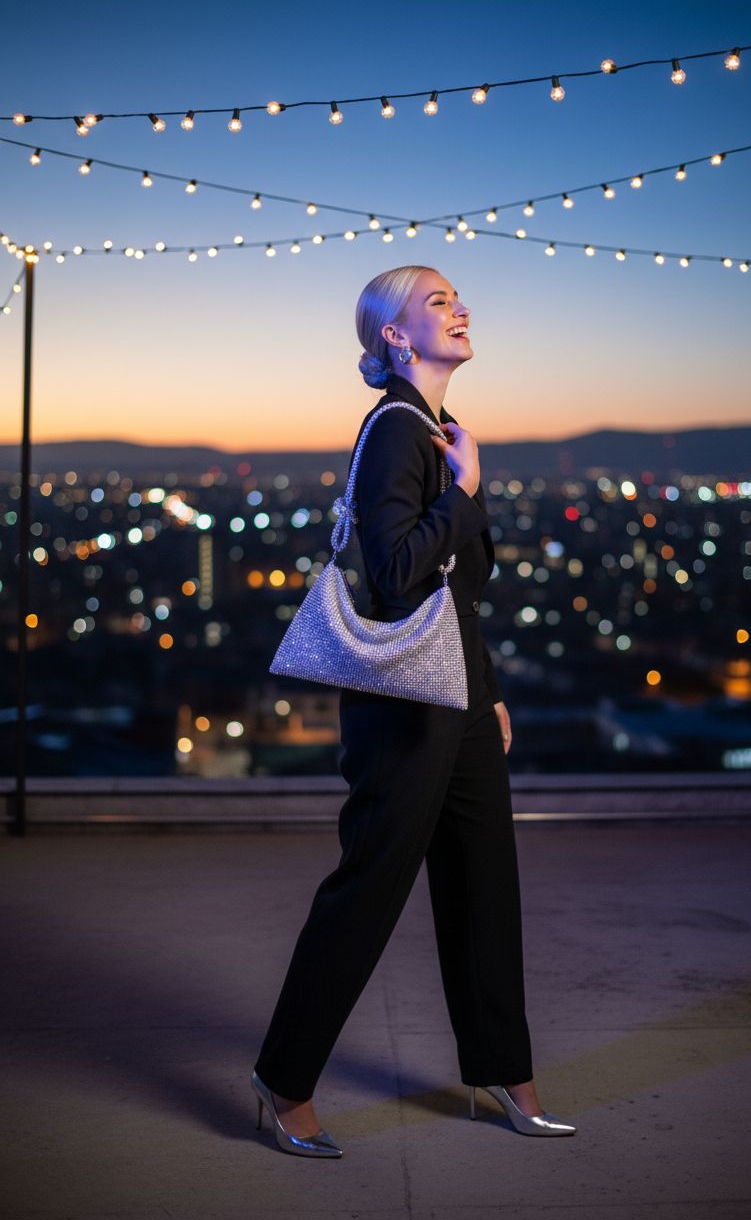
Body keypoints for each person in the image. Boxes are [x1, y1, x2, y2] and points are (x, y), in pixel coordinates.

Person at [251, 265, 576, 1157]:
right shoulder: (397, 430)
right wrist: (466, 496)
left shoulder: (438, 429)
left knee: (486, 886)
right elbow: (395, 577)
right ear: (395, 337)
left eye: (460, 295)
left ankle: (507, 1077)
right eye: (437, 301)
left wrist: (489, 691)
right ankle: (282, 1084)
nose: (460, 306)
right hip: (402, 702)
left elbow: (455, 586)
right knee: (371, 888)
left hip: (456, 692)